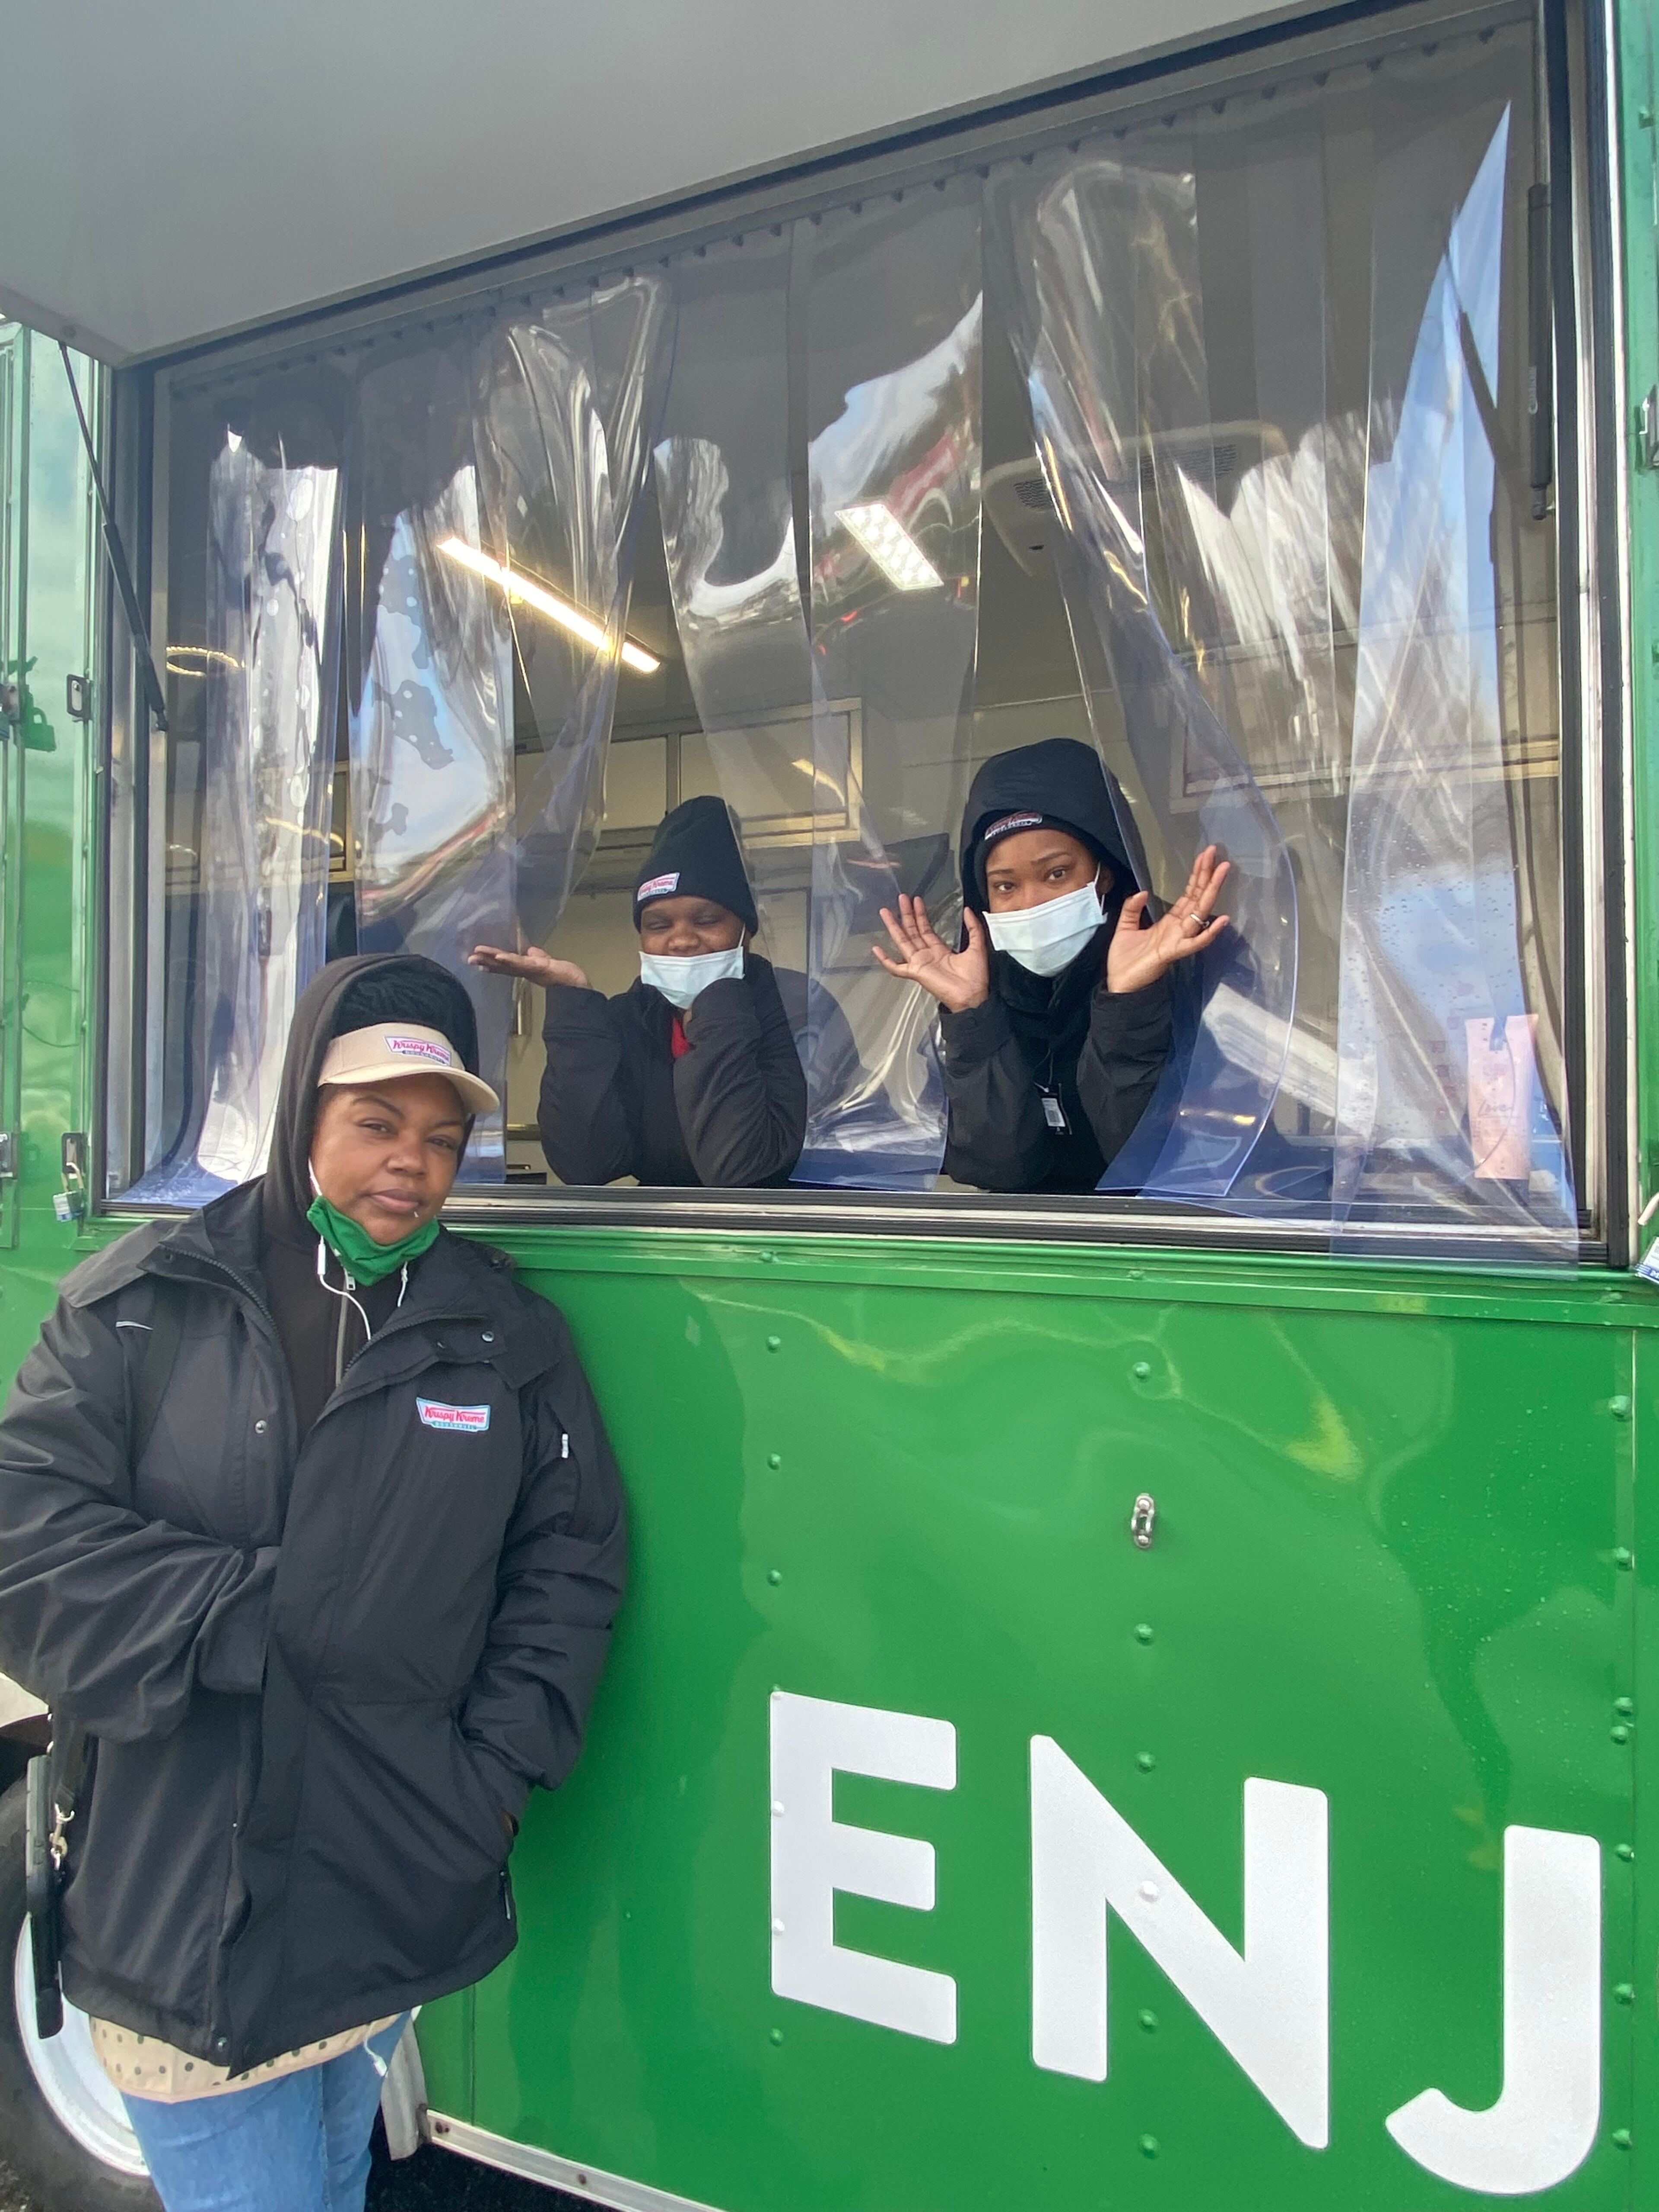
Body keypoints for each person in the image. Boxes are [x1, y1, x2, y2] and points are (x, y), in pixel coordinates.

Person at [0, 952, 626, 2212]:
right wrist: (258, 1615)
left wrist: (488, 1783)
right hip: (189, 1901)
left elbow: (568, 1558)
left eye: (442, 1136)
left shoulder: (504, 1334)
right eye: (376, 1122)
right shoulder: (144, 1304)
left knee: (335, 2183)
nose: (411, 1159)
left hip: (392, 1888)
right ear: (303, 1118)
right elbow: (30, 1537)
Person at [873, 737, 1229, 1193]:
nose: (1031, 902)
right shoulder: (979, 977)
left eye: (1056, 873)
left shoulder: (1194, 959)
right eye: (1005, 886)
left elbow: (1161, 1163)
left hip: (1165, 1246)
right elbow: (994, 1167)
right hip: (1034, 1246)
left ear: (1107, 868)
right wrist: (971, 1015)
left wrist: (1129, 1001)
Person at [472, 795, 807, 1188]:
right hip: (655, 1241)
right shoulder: (629, 1018)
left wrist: (718, 1001)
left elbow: (743, 1170)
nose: (681, 940)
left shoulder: (797, 1007)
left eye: (707, 920)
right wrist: (573, 1003)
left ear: (745, 928)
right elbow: (587, 1167)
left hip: (780, 1241)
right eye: (659, 925)